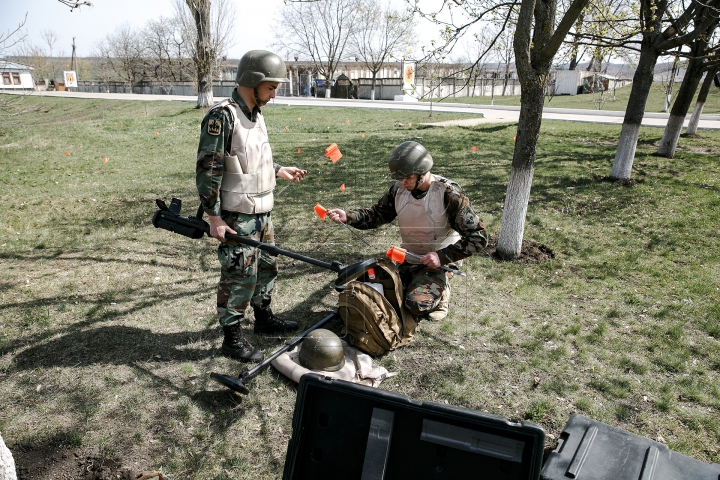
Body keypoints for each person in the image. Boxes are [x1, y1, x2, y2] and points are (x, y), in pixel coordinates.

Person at [196, 50, 307, 363]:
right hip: (237, 215)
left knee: (267, 267)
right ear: (253, 82)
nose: (274, 93)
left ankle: (264, 318)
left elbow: (249, 162)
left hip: (263, 212)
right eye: (271, 87)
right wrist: (215, 217)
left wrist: (279, 170)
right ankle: (232, 338)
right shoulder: (223, 116)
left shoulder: (256, 115)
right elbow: (209, 170)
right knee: (239, 275)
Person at [326, 141, 488, 321]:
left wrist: (441, 256)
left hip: (439, 262)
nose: (402, 182)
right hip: (408, 257)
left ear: (422, 172)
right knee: (382, 294)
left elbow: (479, 237)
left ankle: (443, 291)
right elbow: (378, 214)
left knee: (415, 304)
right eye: (399, 178)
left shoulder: (448, 194)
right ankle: (420, 281)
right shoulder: (399, 189)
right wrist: (348, 216)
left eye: (407, 178)